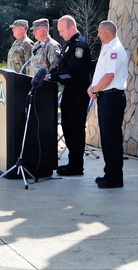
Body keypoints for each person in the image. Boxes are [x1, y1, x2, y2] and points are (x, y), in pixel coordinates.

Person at [89, 20, 129, 189]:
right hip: (106, 96)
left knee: (112, 139)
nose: (97, 34)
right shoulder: (108, 46)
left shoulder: (114, 50)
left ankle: (115, 178)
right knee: (107, 138)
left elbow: (109, 76)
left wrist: (94, 89)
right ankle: (109, 173)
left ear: (108, 32)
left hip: (112, 97)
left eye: (99, 31)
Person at [52, 15, 93, 176]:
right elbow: (62, 68)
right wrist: (50, 74)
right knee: (68, 128)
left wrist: (53, 77)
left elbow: (72, 73)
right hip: (70, 93)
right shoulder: (69, 45)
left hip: (78, 94)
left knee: (75, 130)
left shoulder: (79, 47)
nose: (60, 34)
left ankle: (77, 166)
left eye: (62, 30)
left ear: (71, 28)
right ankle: (72, 163)